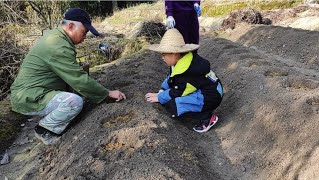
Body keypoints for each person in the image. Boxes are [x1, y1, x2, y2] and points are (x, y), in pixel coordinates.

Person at [10, 8, 126, 145]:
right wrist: (107, 93)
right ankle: (45, 129)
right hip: (28, 97)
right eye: (84, 32)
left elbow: (75, 75)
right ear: (71, 26)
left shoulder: (57, 37)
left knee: (79, 91)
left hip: (36, 91)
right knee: (74, 102)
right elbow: (78, 79)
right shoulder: (57, 45)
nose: (84, 38)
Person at [145, 28, 223, 133]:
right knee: (169, 98)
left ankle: (207, 118)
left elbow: (178, 92)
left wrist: (160, 97)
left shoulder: (188, 72)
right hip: (208, 90)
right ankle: (200, 109)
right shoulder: (181, 62)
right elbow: (171, 78)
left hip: (211, 96)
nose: (162, 57)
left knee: (173, 105)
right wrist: (162, 90)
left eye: (164, 54)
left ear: (175, 54)